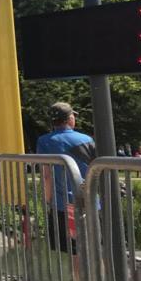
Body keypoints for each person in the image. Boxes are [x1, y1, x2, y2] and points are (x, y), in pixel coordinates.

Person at [36, 102, 96, 253]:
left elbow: (47, 176)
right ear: (70, 118)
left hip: (62, 205)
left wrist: (48, 200)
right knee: (95, 249)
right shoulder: (86, 139)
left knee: (73, 252)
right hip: (90, 201)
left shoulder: (44, 141)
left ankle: (78, 270)